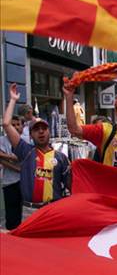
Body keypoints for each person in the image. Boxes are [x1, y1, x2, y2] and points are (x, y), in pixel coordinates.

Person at [2, 84, 70, 214]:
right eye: (36, 129)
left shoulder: (61, 158)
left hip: (53, 209)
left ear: (49, 132)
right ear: (31, 135)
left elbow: (70, 186)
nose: (41, 132)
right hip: (30, 210)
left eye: (44, 129)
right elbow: (6, 124)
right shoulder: (26, 151)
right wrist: (13, 100)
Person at [0, 115, 23, 229]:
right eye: (12, 125)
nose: (15, 127)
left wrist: (8, 158)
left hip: (25, 182)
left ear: (22, 126)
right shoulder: (2, 140)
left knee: (25, 213)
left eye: (18, 124)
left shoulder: (27, 140)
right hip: (10, 182)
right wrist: (15, 162)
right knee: (12, 215)